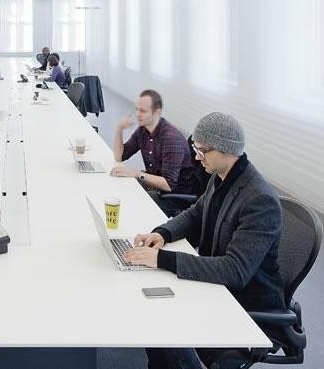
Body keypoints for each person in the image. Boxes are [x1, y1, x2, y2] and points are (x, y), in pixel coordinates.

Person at [122, 113, 284, 369]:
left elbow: (235, 271)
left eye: (202, 150)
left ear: (227, 150)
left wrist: (162, 259)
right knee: (151, 310)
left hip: (244, 302)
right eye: (196, 148)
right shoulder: (221, 177)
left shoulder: (259, 200)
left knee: (160, 322)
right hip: (218, 287)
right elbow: (196, 213)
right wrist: (162, 233)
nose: (197, 157)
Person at [111, 90, 197, 208]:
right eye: (137, 109)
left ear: (157, 112)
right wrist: (119, 129)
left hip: (174, 195)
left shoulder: (171, 138)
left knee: (130, 200)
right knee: (120, 185)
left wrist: (137, 173)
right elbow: (119, 156)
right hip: (155, 184)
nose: (138, 114)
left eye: (143, 111)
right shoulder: (143, 130)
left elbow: (169, 184)